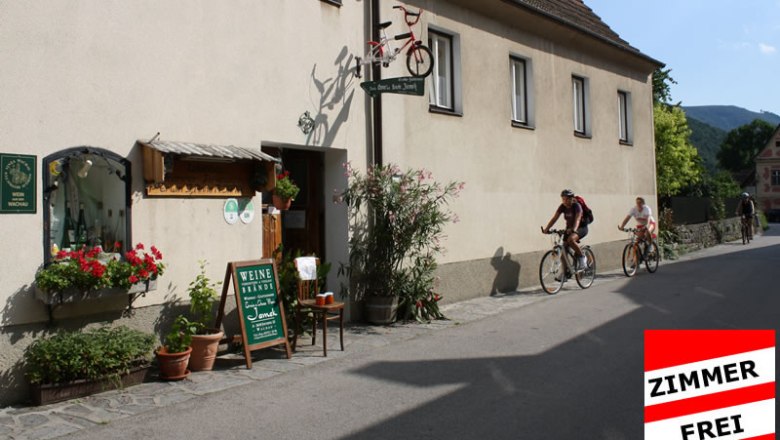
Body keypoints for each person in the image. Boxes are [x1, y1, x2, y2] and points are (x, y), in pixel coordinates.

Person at [543, 189, 588, 270]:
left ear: (572, 199)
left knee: (570, 240)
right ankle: (566, 271)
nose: (565, 201)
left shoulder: (577, 206)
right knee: (562, 249)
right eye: (563, 199)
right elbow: (554, 218)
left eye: (567, 199)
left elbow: (578, 219)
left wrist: (574, 229)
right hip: (569, 229)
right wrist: (547, 229)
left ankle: (582, 257)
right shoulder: (562, 206)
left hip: (581, 228)